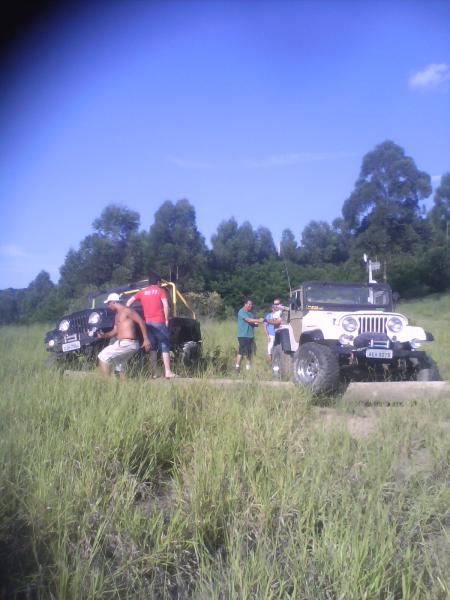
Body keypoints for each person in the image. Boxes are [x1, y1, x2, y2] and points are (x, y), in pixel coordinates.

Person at [126, 272, 177, 379]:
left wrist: (129, 314)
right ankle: (167, 372)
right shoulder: (160, 291)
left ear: (149, 283)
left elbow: (129, 302)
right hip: (159, 322)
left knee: (152, 348)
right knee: (164, 346)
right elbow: (166, 306)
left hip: (148, 324)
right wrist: (167, 319)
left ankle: (154, 373)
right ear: (158, 282)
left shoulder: (142, 292)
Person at [97, 293, 151, 380]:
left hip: (128, 343)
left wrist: (146, 339)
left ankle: (105, 385)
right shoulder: (117, 315)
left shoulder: (127, 311)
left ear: (114, 302)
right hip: (123, 344)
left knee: (102, 356)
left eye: (108, 303)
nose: (108, 306)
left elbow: (141, 322)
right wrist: (104, 335)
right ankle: (124, 389)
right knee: (119, 367)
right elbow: (115, 331)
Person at [235, 298, 264, 372]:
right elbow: (248, 320)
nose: (250, 305)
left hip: (250, 335)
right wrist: (258, 320)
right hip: (242, 335)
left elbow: (252, 323)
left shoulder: (251, 313)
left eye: (251, 304)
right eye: (249, 304)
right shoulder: (241, 311)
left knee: (249, 352)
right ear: (245, 304)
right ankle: (237, 367)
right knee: (241, 351)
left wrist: (257, 323)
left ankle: (248, 368)